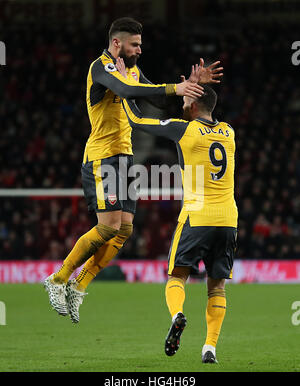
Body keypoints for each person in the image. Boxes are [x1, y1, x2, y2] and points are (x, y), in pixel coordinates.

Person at [43, 17, 222, 323]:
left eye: (140, 44)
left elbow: (154, 99)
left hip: (124, 158)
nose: (140, 49)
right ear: (117, 43)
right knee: (109, 227)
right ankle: (58, 279)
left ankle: (79, 286)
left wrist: (189, 90)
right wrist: (175, 87)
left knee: (124, 230)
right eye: (135, 44)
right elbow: (124, 89)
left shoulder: (134, 70)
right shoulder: (100, 67)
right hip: (102, 157)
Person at [121, 83, 238, 364]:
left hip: (197, 217)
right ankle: (209, 348)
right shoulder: (229, 132)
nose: (182, 103)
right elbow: (198, 124)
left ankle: (178, 315)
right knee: (217, 286)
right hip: (228, 218)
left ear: (194, 104)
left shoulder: (183, 129)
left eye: (186, 99)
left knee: (177, 277)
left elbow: (137, 119)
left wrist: (122, 91)